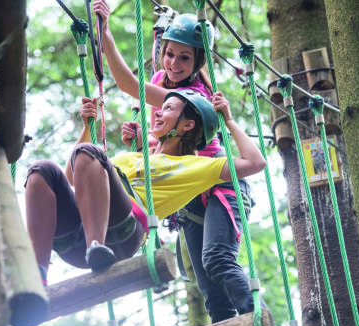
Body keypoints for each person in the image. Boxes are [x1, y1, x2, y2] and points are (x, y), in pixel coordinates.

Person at [93, 0, 264, 322]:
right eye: (169, 53)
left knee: (217, 259)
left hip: (218, 183)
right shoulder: (161, 77)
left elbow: (131, 87)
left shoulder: (192, 94)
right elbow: (172, 148)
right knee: (208, 288)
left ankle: (258, 318)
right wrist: (145, 142)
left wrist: (106, 33)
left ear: (198, 60)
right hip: (189, 191)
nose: (174, 63)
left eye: (184, 57)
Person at [24, 89, 265, 290]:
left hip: (122, 234)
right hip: (75, 239)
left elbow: (255, 162)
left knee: (90, 152)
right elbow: (70, 180)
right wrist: (87, 127)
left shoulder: (195, 166)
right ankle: (37, 274)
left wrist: (229, 120)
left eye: (169, 108)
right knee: (41, 170)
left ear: (188, 124)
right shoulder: (130, 158)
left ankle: (96, 248)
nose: (158, 112)